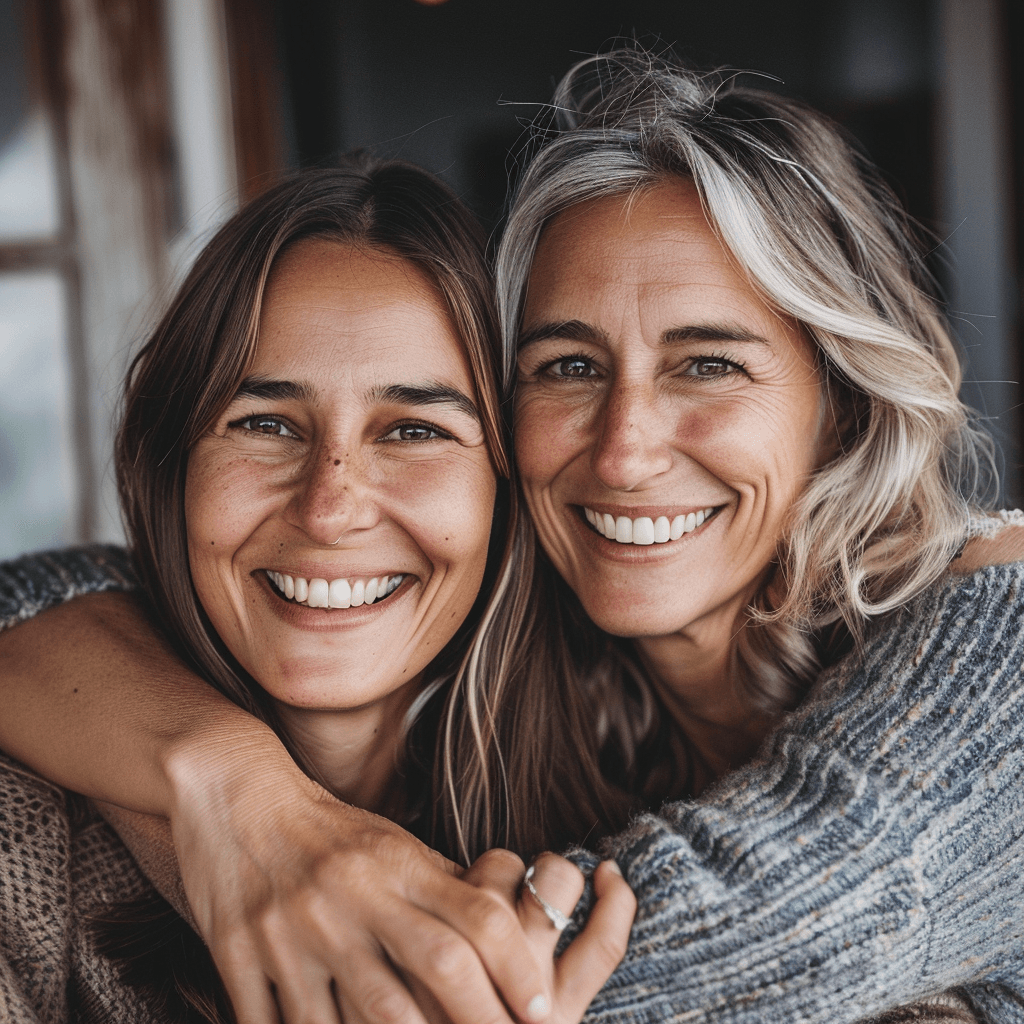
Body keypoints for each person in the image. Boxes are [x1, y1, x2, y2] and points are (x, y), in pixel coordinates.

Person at [2, 46, 1022, 1023]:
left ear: (838, 400)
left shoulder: (993, 632)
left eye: (707, 362)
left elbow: (760, 941)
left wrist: (284, 865)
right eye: (567, 365)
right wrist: (232, 789)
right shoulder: (591, 699)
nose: (621, 452)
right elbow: (41, 602)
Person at [0, 159, 636, 1024]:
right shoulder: (21, 836)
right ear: (173, 467)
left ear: (508, 492)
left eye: (414, 429)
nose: (330, 508)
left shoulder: (639, 828)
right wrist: (225, 783)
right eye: (262, 423)